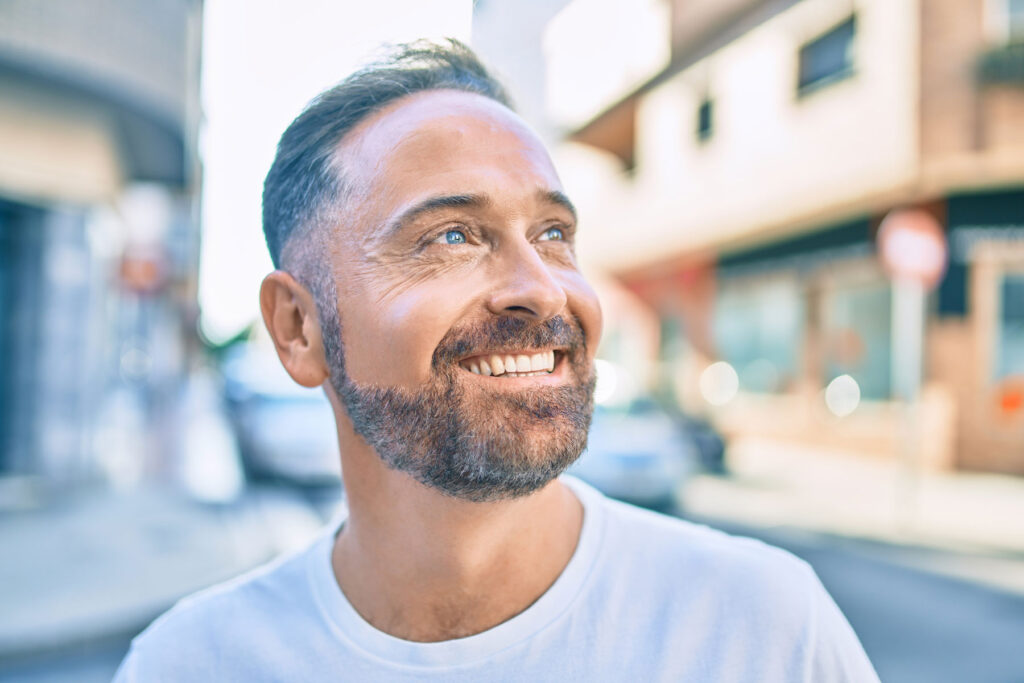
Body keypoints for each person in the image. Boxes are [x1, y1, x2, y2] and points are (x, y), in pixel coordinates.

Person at [113, 40, 878, 682]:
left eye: (552, 234)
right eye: (452, 236)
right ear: (297, 328)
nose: (541, 289)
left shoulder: (764, 632)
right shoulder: (190, 664)